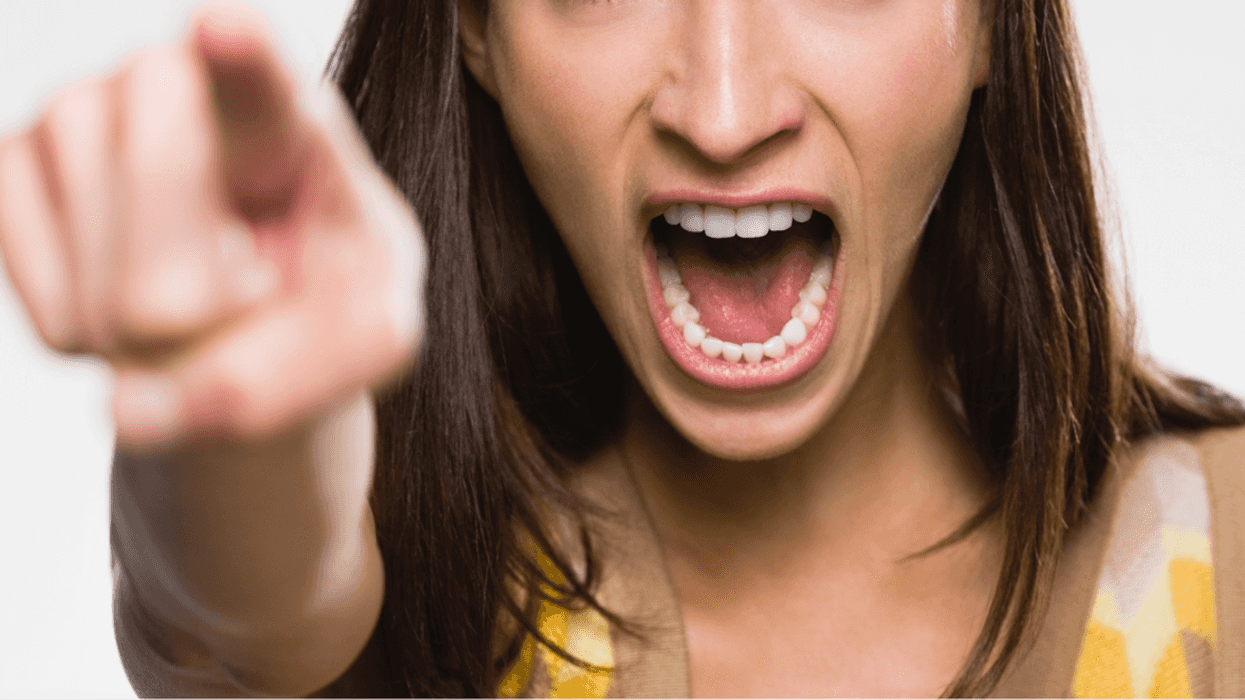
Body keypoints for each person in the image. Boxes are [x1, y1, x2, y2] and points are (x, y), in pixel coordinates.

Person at [1, 0, 1242, 697]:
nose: (723, 109)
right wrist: (244, 404)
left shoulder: (1217, 560)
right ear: (475, 35)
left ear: (991, 25)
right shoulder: (439, 590)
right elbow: (233, 622)